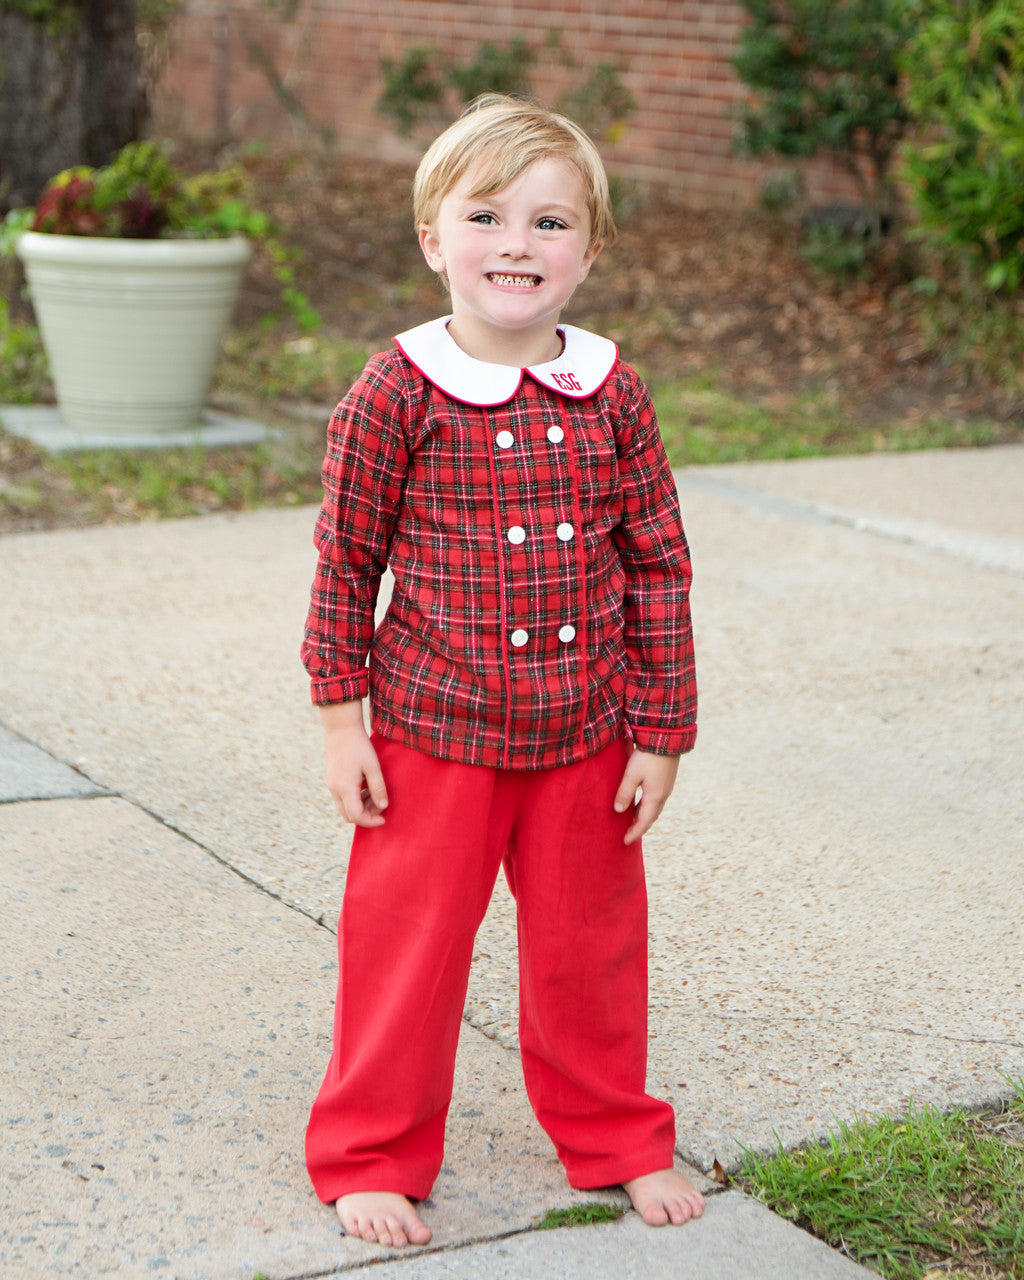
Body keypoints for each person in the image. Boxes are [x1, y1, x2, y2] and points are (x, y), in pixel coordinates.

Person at [301, 94, 703, 1249]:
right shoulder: (394, 393)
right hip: (432, 730)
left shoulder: (613, 392)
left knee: (592, 946)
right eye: (486, 216)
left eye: (550, 222)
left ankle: (617, 1132)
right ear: (433, 238)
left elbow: (658, 564)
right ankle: (370, 1149)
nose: (517, 245)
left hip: (586, 733)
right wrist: (342, 723)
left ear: (588, 249)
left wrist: (660, 728)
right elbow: (346, 566)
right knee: (406, 949)